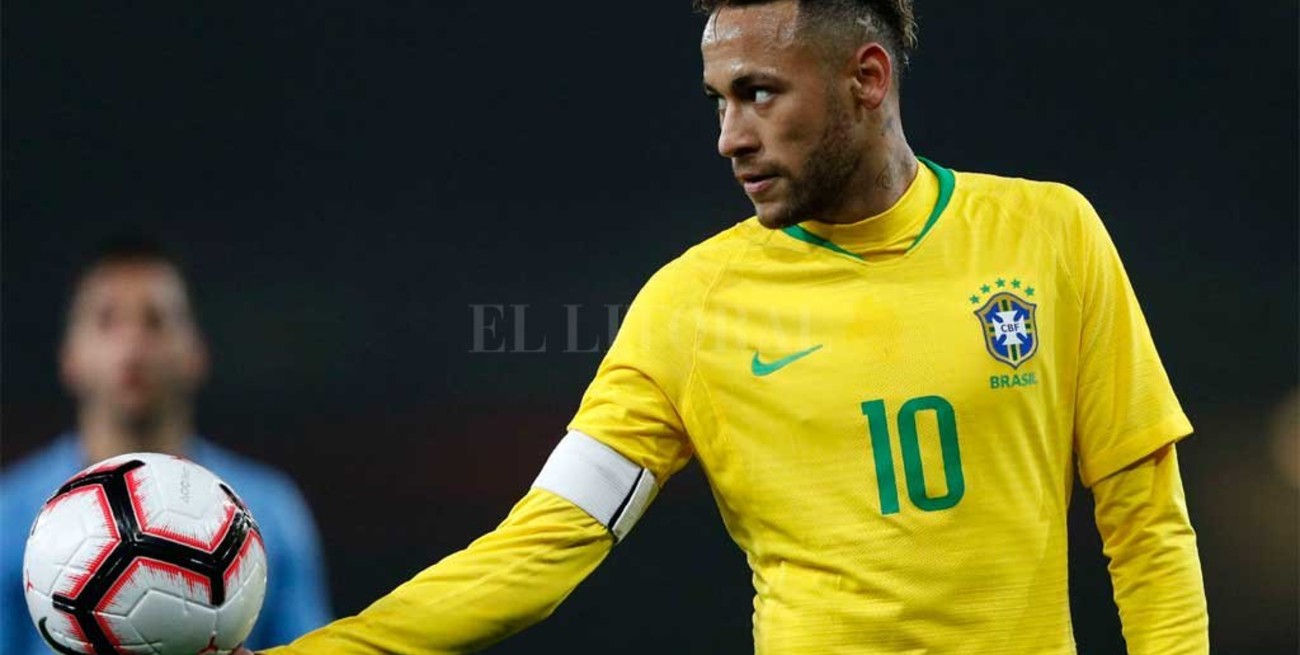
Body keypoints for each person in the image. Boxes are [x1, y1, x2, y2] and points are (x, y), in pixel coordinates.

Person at [253, 1, 1209, 653]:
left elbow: (1147, 527)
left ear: (867, 78)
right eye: (718, 101)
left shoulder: (1050, 236)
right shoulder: (688, 306)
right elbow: (537, 548)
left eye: (759, 93)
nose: (729, 137)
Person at [0, 236, 333, 653]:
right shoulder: (9, 514)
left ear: (196, 352)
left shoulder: (269, 509)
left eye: (155, 321)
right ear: (70, 356)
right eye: (107, 320)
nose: (132, 344)